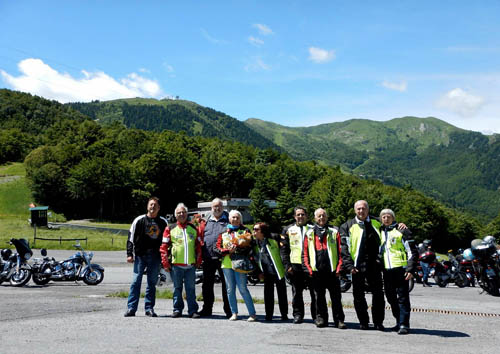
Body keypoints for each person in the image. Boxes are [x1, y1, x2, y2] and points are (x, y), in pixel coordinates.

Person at [339, 200, 386, 330]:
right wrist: (349, 266)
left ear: (368, 209)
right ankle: (363, 322)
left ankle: (378, 322)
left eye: (363, 208)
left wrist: (400, 225)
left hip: (375, 265)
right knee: (358, 296)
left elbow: (391, 225)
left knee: (378, 295)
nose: (361, 211)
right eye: (359, 209)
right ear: (355, 210)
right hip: (357, 266)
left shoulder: (377, 222)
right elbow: (344, 248)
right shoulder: (347, 226)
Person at [125, 197, 168, 317]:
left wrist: (166, 256)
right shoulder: (139, 220)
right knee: (135, 281)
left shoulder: (163, 222)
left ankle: (149, 308)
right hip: (140, 256)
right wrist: (129, 254)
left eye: (155, 205)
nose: (153, 207)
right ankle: (131, 308)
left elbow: (167, 240)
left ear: (159, 208)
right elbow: (130, 238)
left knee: (151, 283)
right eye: (151, 205)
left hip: (155, 257)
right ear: (147, 206)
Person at [303, 208, 346, 328]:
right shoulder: (309, 233)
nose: (321, 218)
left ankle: (339, 320)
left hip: (332, 272)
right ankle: (321, 318)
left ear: (327, 217)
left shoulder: (334, 231)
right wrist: (309, 270)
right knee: (319, 298)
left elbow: (341, 251)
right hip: (317, 272)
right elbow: (305, 254)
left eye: (323, 216)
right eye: (319, 216)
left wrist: (339, 268)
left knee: (336, 298)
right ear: (315, 218)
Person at [379, 209, 418, 335]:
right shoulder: (379, 231)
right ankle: (398, 321)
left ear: (393, 218)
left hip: (401, 269)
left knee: (403, 298)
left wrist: (410, 269)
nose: (386, 218)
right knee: (390, 297)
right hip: (386, 270)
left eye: (388, 216)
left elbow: (412, 251)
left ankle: (404, 324)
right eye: (383, 217)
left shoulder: (402, 230)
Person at [160, 203, 202, 318]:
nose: (182, 214)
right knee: (177, 289)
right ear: (175, 215)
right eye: (179, 213)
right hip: (176, 265)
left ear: (187, 214)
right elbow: (163, 247)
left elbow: (198, 245)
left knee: (191, 289)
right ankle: (177, 309)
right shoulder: (170, 228)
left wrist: (198, 260)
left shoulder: (193, 228)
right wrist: (165, 263)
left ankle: (192, 310)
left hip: (190, 265)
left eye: (183, 212)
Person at [215, 209, 257, 322]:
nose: (235, 219)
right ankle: (234, 313)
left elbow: (250, 247)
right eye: (233, 217)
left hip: (240, 264)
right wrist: (227, 251)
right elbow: (217, 248)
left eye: (237, 217)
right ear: (229, 219)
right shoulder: (223, 232)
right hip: (227, 264)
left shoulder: (245, 231)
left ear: (240, 219)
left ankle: (252, 313)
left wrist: (238, 248)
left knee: (243, 288)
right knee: (230, 290)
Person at [280, 206, 316, 324]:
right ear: (295, 216)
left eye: (303, 214)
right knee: (296, 293)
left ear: (307, 216)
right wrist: (287, 266)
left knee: (314, 292)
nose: (300, 217)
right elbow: (284, 250)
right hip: (295, 265)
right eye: (298, 214)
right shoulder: (288, 229)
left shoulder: (313, 228)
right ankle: (298, 315)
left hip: (310, 265)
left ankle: (316, 316)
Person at [197, 198, 232, 318]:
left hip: (224, 258)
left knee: (227, 285)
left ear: (223, 208)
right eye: (214, 206)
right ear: (211, 208)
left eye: (219, 206)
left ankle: (229, 309)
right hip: (208, 257)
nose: (217, 208)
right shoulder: (205, 221)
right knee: (207, 285)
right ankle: (207, 309)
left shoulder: (229, 220)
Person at [253, 221, 288, 322]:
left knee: (282, 294)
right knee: (268, 295)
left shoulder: (274, 238)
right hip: (266, 272)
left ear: (263, 231)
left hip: (278, 270)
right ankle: (269, 315)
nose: (254, 232)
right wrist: (258, 272)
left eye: (256, 229)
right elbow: (254, 258)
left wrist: (286, 266)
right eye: (253, 229)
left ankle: (284, 314)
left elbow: (284, 249)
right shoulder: (255, 243)